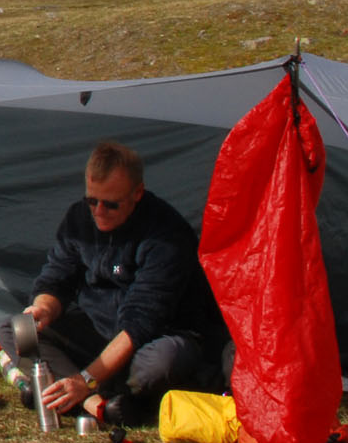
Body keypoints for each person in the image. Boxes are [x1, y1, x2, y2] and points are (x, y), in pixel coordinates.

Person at [23, 140, 227, 426]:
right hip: (100, 333)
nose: (98, 211)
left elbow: (140, 324)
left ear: (137, 193)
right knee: (16, 331)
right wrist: (43, 308)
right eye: (91, 200)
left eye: (110, 204)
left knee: (161, 364)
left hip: (156, 338)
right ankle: (98, 403)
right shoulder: (79, 219)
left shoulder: (166, 236)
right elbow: (56, 277)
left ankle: (76, 387)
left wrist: (86, 378)